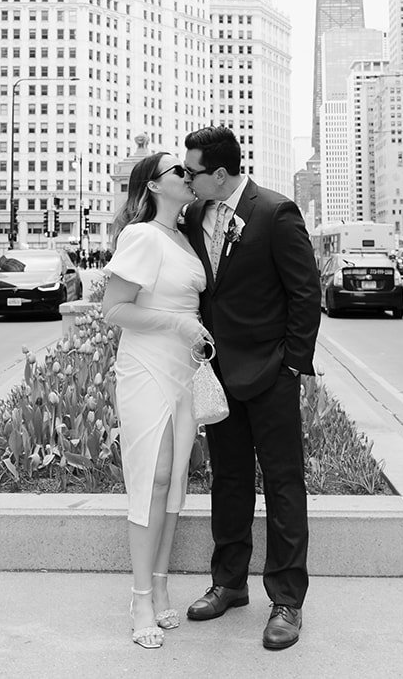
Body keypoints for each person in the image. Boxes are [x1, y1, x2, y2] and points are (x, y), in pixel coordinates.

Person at [180, 125, 320, 652]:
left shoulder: (275, 213)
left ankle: (286, 600)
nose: (187, 179)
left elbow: (305, 296)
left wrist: (290, 367)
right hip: (219, 375)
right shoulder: (195, 214)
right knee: (229, 480)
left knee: (284, 485)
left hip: (270, 375)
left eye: (193, 172)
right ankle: (229, 583)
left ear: (220, 174)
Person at [99, 152, 209, 650]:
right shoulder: (141, 236)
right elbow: (114, 309)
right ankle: (140, 595)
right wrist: (177, 324)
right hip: (146, 365)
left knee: (176, 479)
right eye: (179, 173)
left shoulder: (184, 237)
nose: (189, 178)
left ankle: (161, 583)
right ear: (154, 187)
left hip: (184, 365)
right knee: (152, 476)